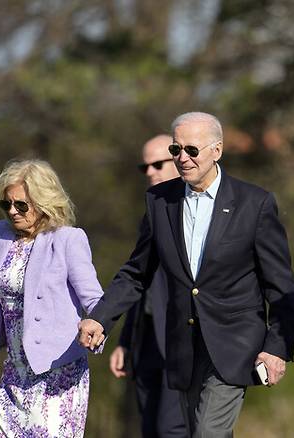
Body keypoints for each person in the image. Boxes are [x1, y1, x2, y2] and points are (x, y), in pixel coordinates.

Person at [78, 112, 294, 437]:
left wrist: (277, 347)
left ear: (217, 151)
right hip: (182, 346)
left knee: (208, 432)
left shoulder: (255, 204)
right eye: (176, 149)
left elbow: (280, 286)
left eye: (192, 150)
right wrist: (101, 318)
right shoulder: (159, 201)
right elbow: (136, 272)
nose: (183, 158)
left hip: (234, 344)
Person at [0, 159, 104, 437]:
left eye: (21, 205)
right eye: (7, 205)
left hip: (57, 373)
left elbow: (94, 300)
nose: (13, 212)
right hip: (15, 374)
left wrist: (96, 326)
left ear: (43, 201)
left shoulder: (67, 239)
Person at [109, 134, 186, 437]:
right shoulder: (152, 213)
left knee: (172, 430)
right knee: (150, 429)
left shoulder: (198, 212)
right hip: (147, 342)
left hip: (182, 344)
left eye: (157, 164)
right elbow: (138, 281)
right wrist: (125, 341)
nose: (150, 172)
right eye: (145, 167)